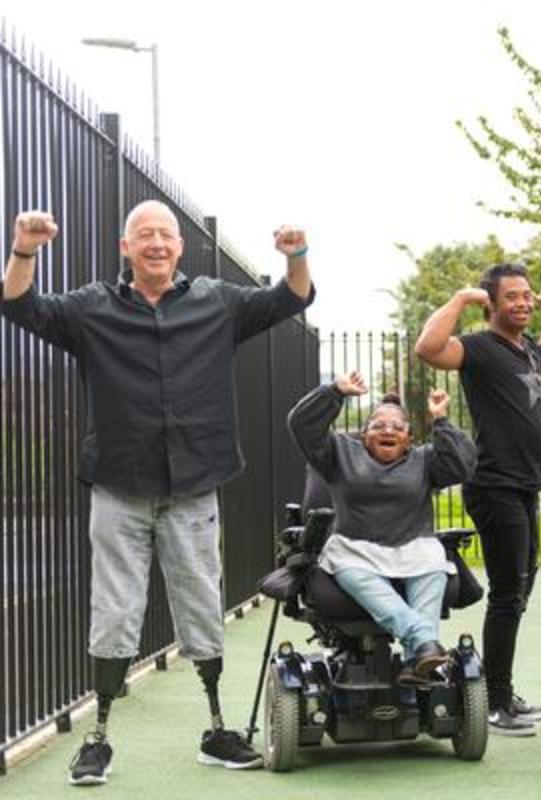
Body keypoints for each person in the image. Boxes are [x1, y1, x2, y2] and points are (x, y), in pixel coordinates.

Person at [0, 203, 314, 785]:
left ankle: (218, 729)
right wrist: (23, 250)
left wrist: (296, 256)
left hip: (195, 484)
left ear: (179, 247)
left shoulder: (217, 302)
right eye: (144, 234)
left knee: (200, 602)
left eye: (165, 234)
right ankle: (99, 739)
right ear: (126, 247)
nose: (156, 242)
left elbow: (291, 298)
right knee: (114, 609)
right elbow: (19, 304)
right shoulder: (92, 307)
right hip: (119, 485)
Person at [414, 263, 541, 736]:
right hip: (495, 483)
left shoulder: (527, 352)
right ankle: (494, 701)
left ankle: (502, 691)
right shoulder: (478, 348)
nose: (523, 302)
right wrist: (460, 301)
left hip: (525, 485)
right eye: (512, 297)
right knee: (507, 593)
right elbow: (427, 348)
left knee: (518, 592)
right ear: (493, 303)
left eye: (528, 295)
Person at [287, 372, 476, 678]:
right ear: (363, 435)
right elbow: (300, 424)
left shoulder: (424, 460)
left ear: (409, 439)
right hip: (354, 550)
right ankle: (424, 642)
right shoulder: (339, 453)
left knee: (434, 568)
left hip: (414, 547)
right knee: (363, 581)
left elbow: (462, 465)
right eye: (378, 425)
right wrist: (335, 391)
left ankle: (417, 663)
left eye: (398, 427)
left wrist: (440, 421)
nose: (388, 430)